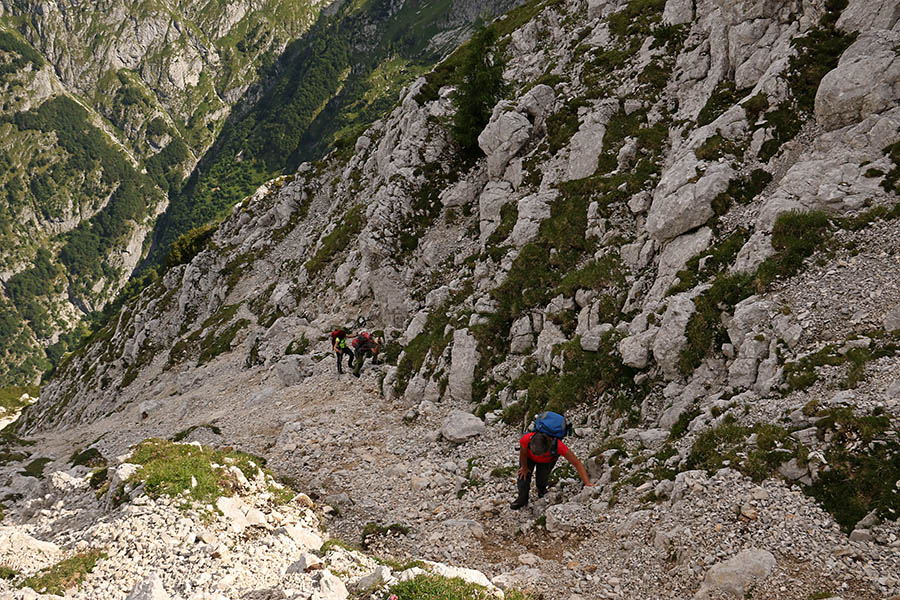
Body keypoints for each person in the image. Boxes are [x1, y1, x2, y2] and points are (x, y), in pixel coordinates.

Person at [510, 430, 594, 510]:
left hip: (547, 461)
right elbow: (523, 452)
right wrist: (524, 467)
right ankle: (522, 499)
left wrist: (587, 482)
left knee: (542, 478)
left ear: (548, 448)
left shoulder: (558, 446)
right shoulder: (526, 438)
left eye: (539, 454)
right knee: (523, 477)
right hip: (528, 458)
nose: (537, 456)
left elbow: (577, 463)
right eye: (535, 453)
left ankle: (542, 491)